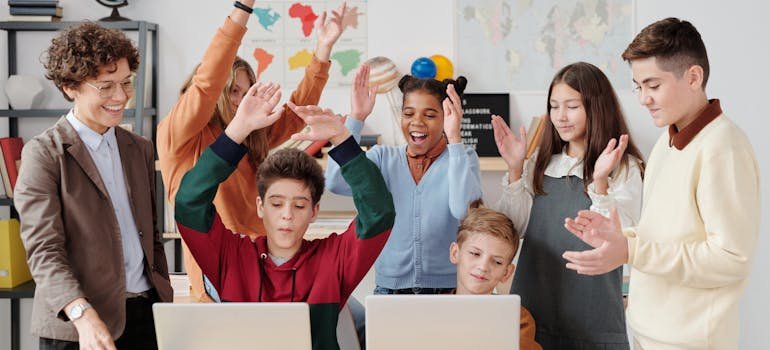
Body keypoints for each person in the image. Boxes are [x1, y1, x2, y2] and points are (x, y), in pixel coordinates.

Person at [563, 18, 760, 350]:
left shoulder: (723, 149)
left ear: (694, 77)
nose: (643, 99)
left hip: (690, 342)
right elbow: (663, 235)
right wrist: (619, 239)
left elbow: (730, 259)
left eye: (653, 85)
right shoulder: (667, 143)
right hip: (647, 330)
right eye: (638, 86)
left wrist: (632, 250)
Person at [173, 81, 396, 350]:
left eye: (299, 206)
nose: (287, 216)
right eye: (276, 204)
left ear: (314, 211)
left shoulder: (333, 260)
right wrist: (237, 131)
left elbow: (379, 213)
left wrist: (342, 139)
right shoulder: (232, 257)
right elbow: (189, 203)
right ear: (260, 207)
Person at [157, 0, 351, 302]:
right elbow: (207, 82)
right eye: (233, 91)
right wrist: (242, 8)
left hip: (263, 258)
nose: (240, 99)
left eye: (246, 91)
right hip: (220, 268)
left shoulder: (250, 132)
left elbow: (297, 112)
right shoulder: (183, 133)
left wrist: (323, 49)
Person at [15, 22, 173, 350]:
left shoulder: (139, 147)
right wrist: (82, 313)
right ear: (70, 86)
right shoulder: (43, 153)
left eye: (126, 83)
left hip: (145, 316)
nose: (121, 97)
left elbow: (150, 234)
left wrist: (162, 295)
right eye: (106, 86)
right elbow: (44, 251)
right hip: (78, 325)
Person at [492, 62, 645, 348]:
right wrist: (515, 169)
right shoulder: (541, 162)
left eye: (572, 106)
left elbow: (623, 236)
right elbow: (513, 229)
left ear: (596, 107)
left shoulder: (625, 167)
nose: (560, 117)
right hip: (533, 310)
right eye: (554, 106)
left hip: (593, 315)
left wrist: (600, 182)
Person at [325, 66, 482, 295]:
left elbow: (463, 211)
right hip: (389, 291)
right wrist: (356, 119)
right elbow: (336, 181)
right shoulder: (381, 158)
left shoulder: (463, 157)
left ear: (447, 118)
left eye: (429, 115)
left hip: (447, 289)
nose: (417, 121)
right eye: (408, 114)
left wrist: (455, 138)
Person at [449, 200, 541, 350]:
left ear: (506, 273)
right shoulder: (429, 312)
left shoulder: (517, 318)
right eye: (475, 253)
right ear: (455, 253)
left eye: (497, 262)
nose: (483, 267)